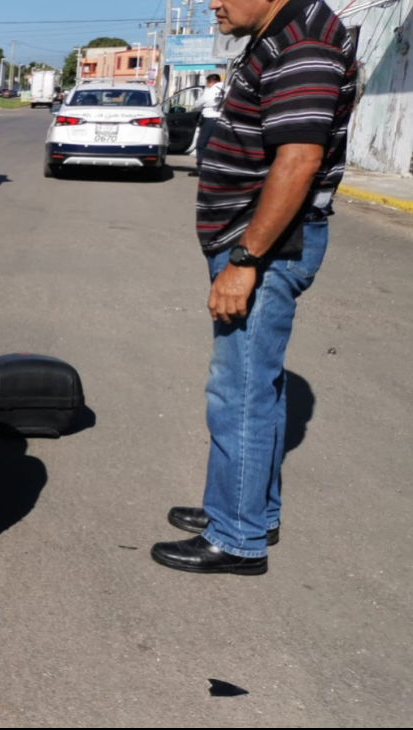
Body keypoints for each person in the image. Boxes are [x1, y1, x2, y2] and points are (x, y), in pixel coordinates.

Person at [152, 0, 357, 575]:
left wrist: (244, 259)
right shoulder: (282, 34)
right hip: (257, 243)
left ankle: (236, 536)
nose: (212, 3)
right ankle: (247, 509)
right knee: (255, 383)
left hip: (265, 248)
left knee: (237, 390)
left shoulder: (304, 42)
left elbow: (299, 159)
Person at [194, 73, 225, 172]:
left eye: (208, 83)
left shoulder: (209, 91)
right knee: (219, 145)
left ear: (211, 82)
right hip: (224, 120)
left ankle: (201, 169)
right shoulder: (228, 89)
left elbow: (198, 104)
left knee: (202, 144)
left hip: (210, 119)